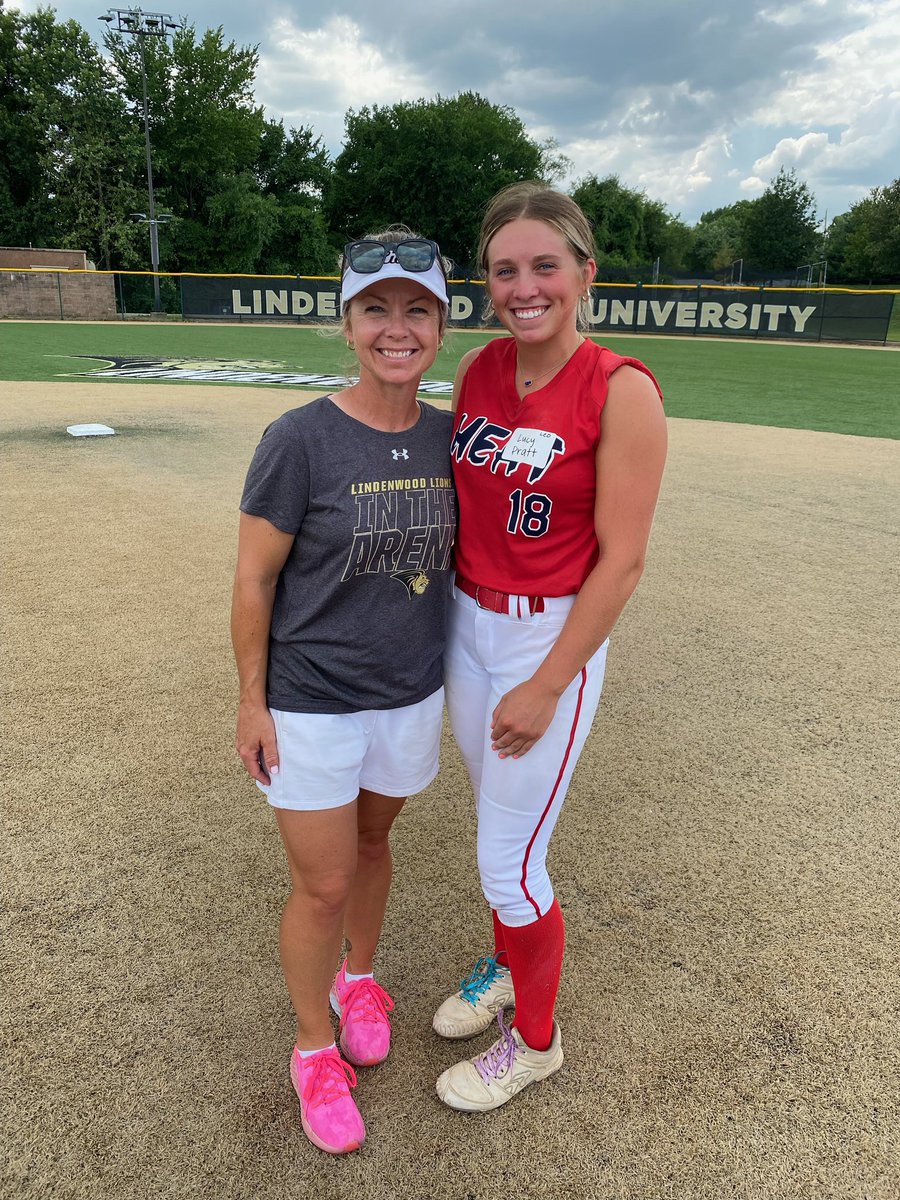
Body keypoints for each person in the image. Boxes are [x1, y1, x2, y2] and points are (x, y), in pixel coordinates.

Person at [432, 182, 668, 1112]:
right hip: (465, 625)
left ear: (584, 273)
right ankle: (504, 967)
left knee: (511, 863)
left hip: (545, 637)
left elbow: (622, 564)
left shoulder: (622, 388)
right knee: (498, 822)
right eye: (503, 269)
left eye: (544, 265)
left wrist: (546, 683)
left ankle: (536, 1043)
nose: (524, 286)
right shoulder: (483, 370)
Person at [231, 229, 455, 1154]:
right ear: (347, 322)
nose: (395, 329)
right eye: (376, 309)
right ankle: (313, 1045)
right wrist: (252, 699)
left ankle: (361, 979)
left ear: (443, 323)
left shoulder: (453, 438)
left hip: (408, 693)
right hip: (312, 700)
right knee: (321, 882)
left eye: (416, 310)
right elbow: (253, 581)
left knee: (373, 845)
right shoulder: (299, 440)